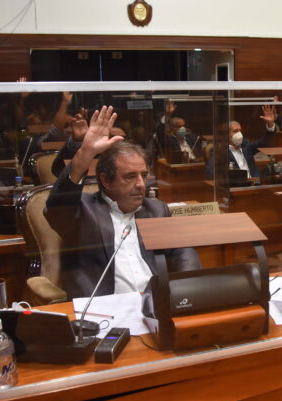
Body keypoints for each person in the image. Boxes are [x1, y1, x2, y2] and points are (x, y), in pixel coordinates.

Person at [45, 105, 201, 300]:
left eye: (143, 175)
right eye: (130, 177)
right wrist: (86, 152)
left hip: (155, 303)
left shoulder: (156, 210)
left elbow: (183, 252)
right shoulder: (83, 210)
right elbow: (57, 207)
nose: (141, 184)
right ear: (106, 181)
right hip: (104, 308)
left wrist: (185, 290)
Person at [204, 103, 277, 179]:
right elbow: (210, 173)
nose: (239, 133)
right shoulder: (221, 151)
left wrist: (270, 124)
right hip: (238, 185)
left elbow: (263, 142)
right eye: (235, 131)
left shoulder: (246, 146)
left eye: (240, 130)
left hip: (255, 182)